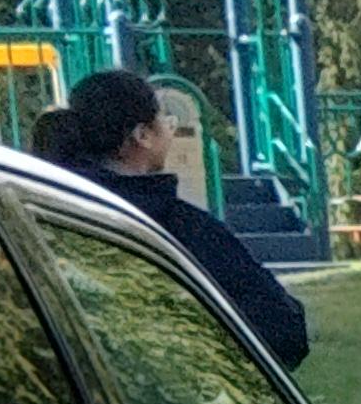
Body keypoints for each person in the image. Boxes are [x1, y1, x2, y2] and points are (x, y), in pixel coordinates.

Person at [35, 67, 312, 367]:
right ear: (142, 136)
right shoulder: (179, 229)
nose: (170, 130)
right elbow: (282, 331)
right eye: (164, 121)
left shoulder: (40, 213)